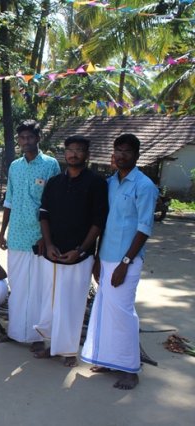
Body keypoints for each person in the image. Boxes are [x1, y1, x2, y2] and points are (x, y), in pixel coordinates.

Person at [81, 134, 159, 390]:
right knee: (104, 310)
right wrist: (96, 258)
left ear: (137, 155)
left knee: (123, 314)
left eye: (126, 151)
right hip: (105, 258)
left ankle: (130, 369)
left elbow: (144, 228)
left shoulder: (144, 186)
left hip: (127, 260)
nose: (121, 155)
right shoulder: (110, 183)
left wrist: (126, 262)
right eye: (118, 150)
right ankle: (107, 359)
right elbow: (103, 223)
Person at [32, 136, 108, 367]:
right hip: (52, 254)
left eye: (79, 150)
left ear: (87, 154)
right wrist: (49, 243)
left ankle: (68, 351)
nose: (73, 154)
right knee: (50, 301)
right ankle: (50, 345)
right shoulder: (54, 182)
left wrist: (81, 249)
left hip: (79, 256)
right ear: (64, 153)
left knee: (72, 303)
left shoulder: (97, 183)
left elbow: (98, 222)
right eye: (70, 150)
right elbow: (44, 215)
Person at [0, 120, 60, 350]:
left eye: (29, 137)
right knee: (18, 286)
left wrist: (48, 237)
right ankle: (15, 331)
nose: (25, 141)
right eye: (22, 138)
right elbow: (9, 201)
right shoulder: (15, 166)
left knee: (39, 288)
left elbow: (55, 204)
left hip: (39, 237)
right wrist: (2, 232)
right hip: (16, 236)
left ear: (38, 138)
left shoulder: (50, 165)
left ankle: (36, 336)